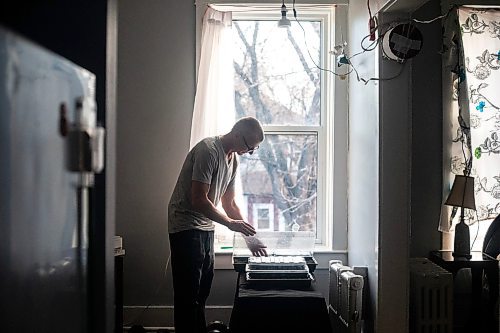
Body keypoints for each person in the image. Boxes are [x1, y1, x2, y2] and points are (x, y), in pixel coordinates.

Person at [168, 116, 267, 333]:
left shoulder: (233, 160)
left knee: (202, 290)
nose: (249, 152)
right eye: (249, 146)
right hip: (185, 225)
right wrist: (230, 224)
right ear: (237, 134)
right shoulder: (208, 150)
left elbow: (229, 203)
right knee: (188, 294)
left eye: (253, 150)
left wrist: (249, 237)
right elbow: (198, 199)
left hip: (205, 225)